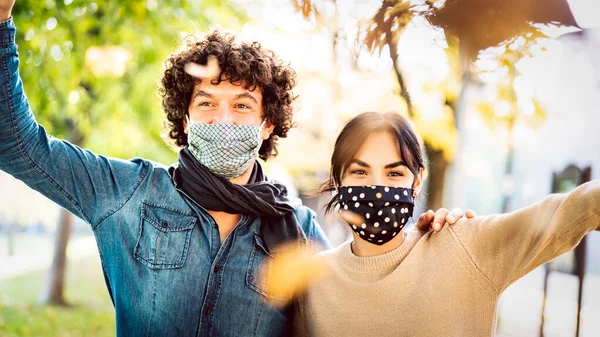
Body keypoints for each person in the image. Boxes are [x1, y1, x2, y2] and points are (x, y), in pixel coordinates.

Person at [0, 3, 471, 336]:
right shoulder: (127, 192)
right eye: (206, 102)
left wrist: (430, 245)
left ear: (267, 123)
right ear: (185, 118)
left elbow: (362, 309)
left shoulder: (301, 233)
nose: (223, 119)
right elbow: (16, 143)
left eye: (242, 105)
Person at [298, 111, 600, 337]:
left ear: (417, 181)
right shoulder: (312, 281)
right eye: (360, 173)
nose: (377, 188)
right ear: (337, 179)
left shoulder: (466, 246)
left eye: (394, 174)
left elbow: (578, 209)